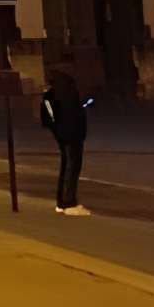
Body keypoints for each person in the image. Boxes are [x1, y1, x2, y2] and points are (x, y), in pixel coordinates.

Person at [40, 66, 92, 214]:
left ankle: (63, 202)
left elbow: (48, 117)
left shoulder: (51, 92)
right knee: (72, 166)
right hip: (71, 133)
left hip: (63, 133)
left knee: (67, 166)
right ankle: (68, 202)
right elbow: (71, 113)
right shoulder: (67, 89)